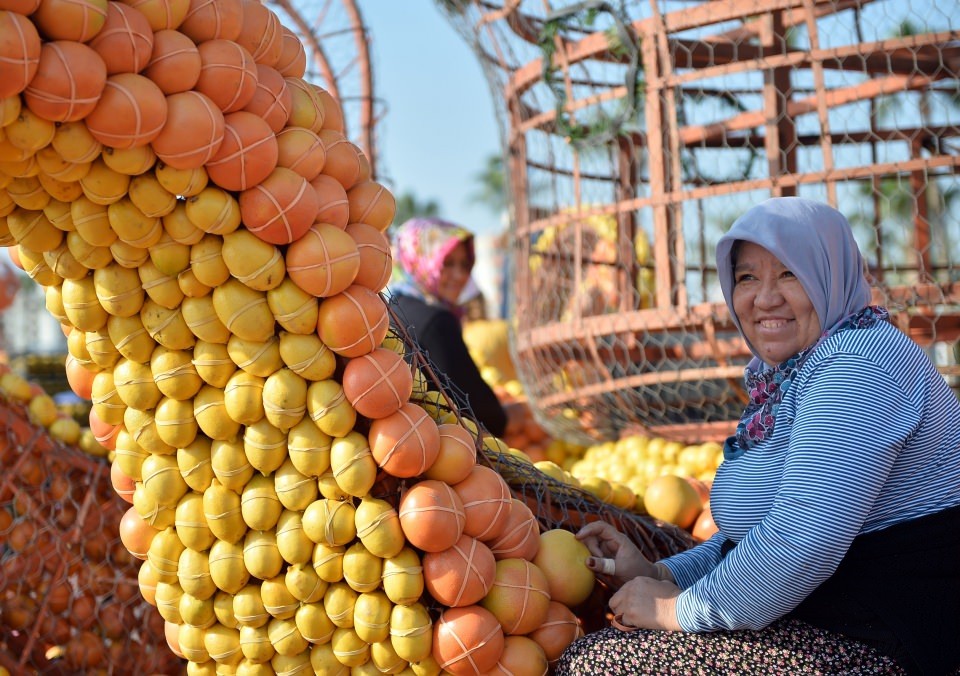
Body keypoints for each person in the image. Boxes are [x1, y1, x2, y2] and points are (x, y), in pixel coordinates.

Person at [556, 197, 960, 675]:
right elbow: (761, 532)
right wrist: (661, 574)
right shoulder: (799, 369)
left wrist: (675, 610)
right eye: (747, 277)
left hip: (892, 640)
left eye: (790, 273)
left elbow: (800, 542)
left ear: (830, 274)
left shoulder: (858, 367)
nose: (764, 298)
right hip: (834, 615)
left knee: (599, 664)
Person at [387, 216, 518, 438]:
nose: (460, 276)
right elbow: (483, 413)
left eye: (465, 265)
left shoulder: (392, 310)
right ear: (418, 259)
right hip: (441, 449)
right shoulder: (436, 320)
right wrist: (512, 415)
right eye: (447, 262)